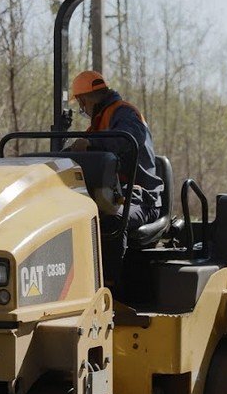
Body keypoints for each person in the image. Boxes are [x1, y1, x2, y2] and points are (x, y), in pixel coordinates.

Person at [65, 70, 164, 285]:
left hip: (142, 199)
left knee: (111, 219)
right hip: (112, 196)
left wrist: (91, 144)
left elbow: (128, 141)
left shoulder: (126, 114)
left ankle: (110, 288)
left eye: (81, 105)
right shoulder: (98, 123)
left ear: (83, 100)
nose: (83, 110)